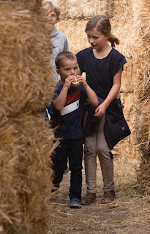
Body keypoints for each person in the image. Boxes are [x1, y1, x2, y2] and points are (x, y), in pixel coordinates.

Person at [76, 15, 127, 205]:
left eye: (95, 37)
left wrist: (104, 105)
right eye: (89, 36)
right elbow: (75, 75)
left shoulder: (115, 58)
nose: (91, 41)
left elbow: (116, 85)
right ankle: (90, 192)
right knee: (89, 149)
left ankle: (109, 190)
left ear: (106, 35)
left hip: (108, 108)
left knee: (103, 149)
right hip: (89, 109)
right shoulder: (83, 56)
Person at [50, 51, 99, 209]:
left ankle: (75, 196)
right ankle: (52, 186)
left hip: (76, 135)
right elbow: (58, 106)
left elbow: (95, 102)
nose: (72, 73)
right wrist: (65, 87)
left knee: (76, 168)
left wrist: (86, 85)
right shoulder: (56, 88)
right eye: (67, 69)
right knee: (58, 166)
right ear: (58, 72)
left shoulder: (80, 89)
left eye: (75, 68)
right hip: (59, 136)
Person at [43, 0, 69, 83]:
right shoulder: (35, 37)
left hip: (56, 82)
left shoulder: (62, 38)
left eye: (53, 15)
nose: (49, 18)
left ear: (57, 19)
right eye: (46, 15)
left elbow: (66, 61)